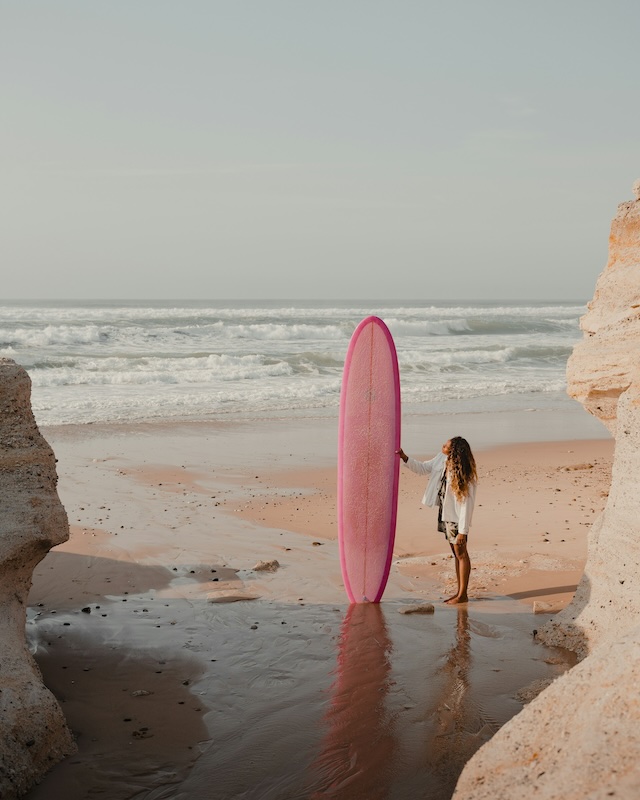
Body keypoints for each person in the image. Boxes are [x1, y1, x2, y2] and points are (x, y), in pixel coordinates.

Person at [396, 437, 477, 604]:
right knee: (456, 554)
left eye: (446, 446)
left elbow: (467, 505)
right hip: (445, 515)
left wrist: (463, 531)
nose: (442, 446)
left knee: (461, 553)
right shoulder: (442, 459)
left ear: (453, 451)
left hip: (456, 519)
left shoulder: (464, 473)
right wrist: (404, 457)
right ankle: (459, 592)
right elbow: (423, 468)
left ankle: (463, 595)